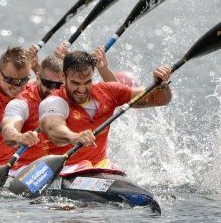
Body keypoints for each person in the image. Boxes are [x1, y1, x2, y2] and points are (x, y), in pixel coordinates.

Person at [39, 50, 172, 167]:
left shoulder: (109, 92)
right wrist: (74, 136)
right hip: (64, 168)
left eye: (87, 82)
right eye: (75, 83)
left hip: (100, 167)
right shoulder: (54, 101)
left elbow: (159, 100)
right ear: (63, 77)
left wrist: (161, 86)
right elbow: (53, 129)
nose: (81, 89)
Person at [1, 45, 118, 170]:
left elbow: (115, 95)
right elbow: (8, 131)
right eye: (48, 84)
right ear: (38, 77)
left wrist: (103, 69)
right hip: (28, 172)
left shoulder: (74, 97)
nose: (52, 90)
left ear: (65, 80)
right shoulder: (23, 103)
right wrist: (19, 137)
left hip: (67, 168)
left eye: (58, 85)